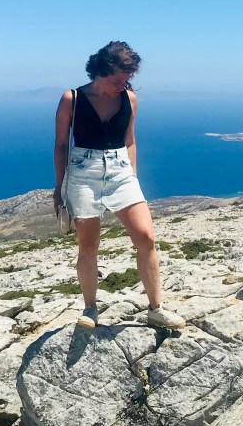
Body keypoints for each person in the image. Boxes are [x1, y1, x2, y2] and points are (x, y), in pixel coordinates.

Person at [53, 41, 186, 330]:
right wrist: (59, 187)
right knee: (88, 245)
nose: (123, 84)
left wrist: (133, 179)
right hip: (82, 173)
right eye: (118, 79)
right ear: (101, 71)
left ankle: (156, 308)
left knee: (146, 238)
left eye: (127, 79)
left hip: (121, 171)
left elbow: (130, 140)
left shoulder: (130, 98)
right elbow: (61, 144)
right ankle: (90, 309)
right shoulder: (71, 99)